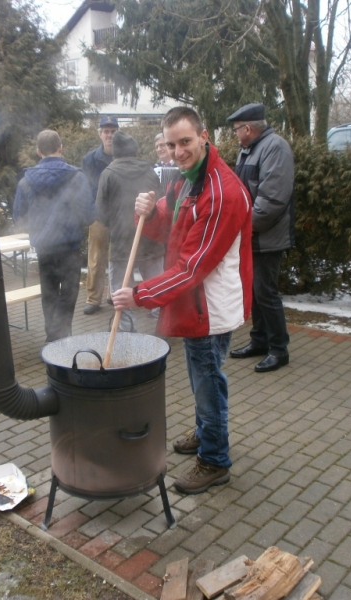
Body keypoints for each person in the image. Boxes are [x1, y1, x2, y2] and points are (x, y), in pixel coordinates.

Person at [112, 107, 252, 494]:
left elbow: (193, 268)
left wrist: (140, 295)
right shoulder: (188, 181)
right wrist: (149, 211)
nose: (177, 151)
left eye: (185, 142)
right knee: (199, 376)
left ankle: (214, 459)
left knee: (208, 380)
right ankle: (205, 431)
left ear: (204, 137)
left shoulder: (221, 192)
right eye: (171, 144)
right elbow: (170, 226)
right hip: (192, 303)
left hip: (209, 305)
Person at [226, 102, 295, 373]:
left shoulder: (275, 148)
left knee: (266, 292)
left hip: (266, 236)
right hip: (252, 235)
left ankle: (279, 349)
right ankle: (260, 341)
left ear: (247, 128)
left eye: (235, 129)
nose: (234, 134)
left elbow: (272, 199)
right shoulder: (249, 150)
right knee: (255, 292)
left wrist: (244, 227)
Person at [13, 130, 95, 342]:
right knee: (69, 293)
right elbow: (88, 215)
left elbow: (18, 217)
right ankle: (61, 336)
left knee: (49, 294)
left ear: (38, 151)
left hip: (44, 248)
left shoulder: (26, 181)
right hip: (70, 247)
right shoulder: (77, 178)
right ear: (61, 148)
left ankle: (53, 337)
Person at [96, 131, 164, 331]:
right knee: (156, 286)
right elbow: (159, 204)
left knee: (121, 287)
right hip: (151, 240)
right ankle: (162, 326)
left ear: (115, 152)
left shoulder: (108, 173)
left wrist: (117, 224)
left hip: (121, 242)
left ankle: (126, 328)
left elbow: (100, 213)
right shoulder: (150, 171)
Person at [81, 116, 119, 315]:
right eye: (106, 131)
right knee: (96, 258)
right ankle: (93, 299)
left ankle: (114, 295)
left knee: (117, 256)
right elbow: (86, 188)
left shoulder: (125, 156)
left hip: (120, 215)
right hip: (98, 215)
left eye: (113, 131)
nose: (110, 135)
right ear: (100, 134)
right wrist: (90, 213)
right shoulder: (89, 159)